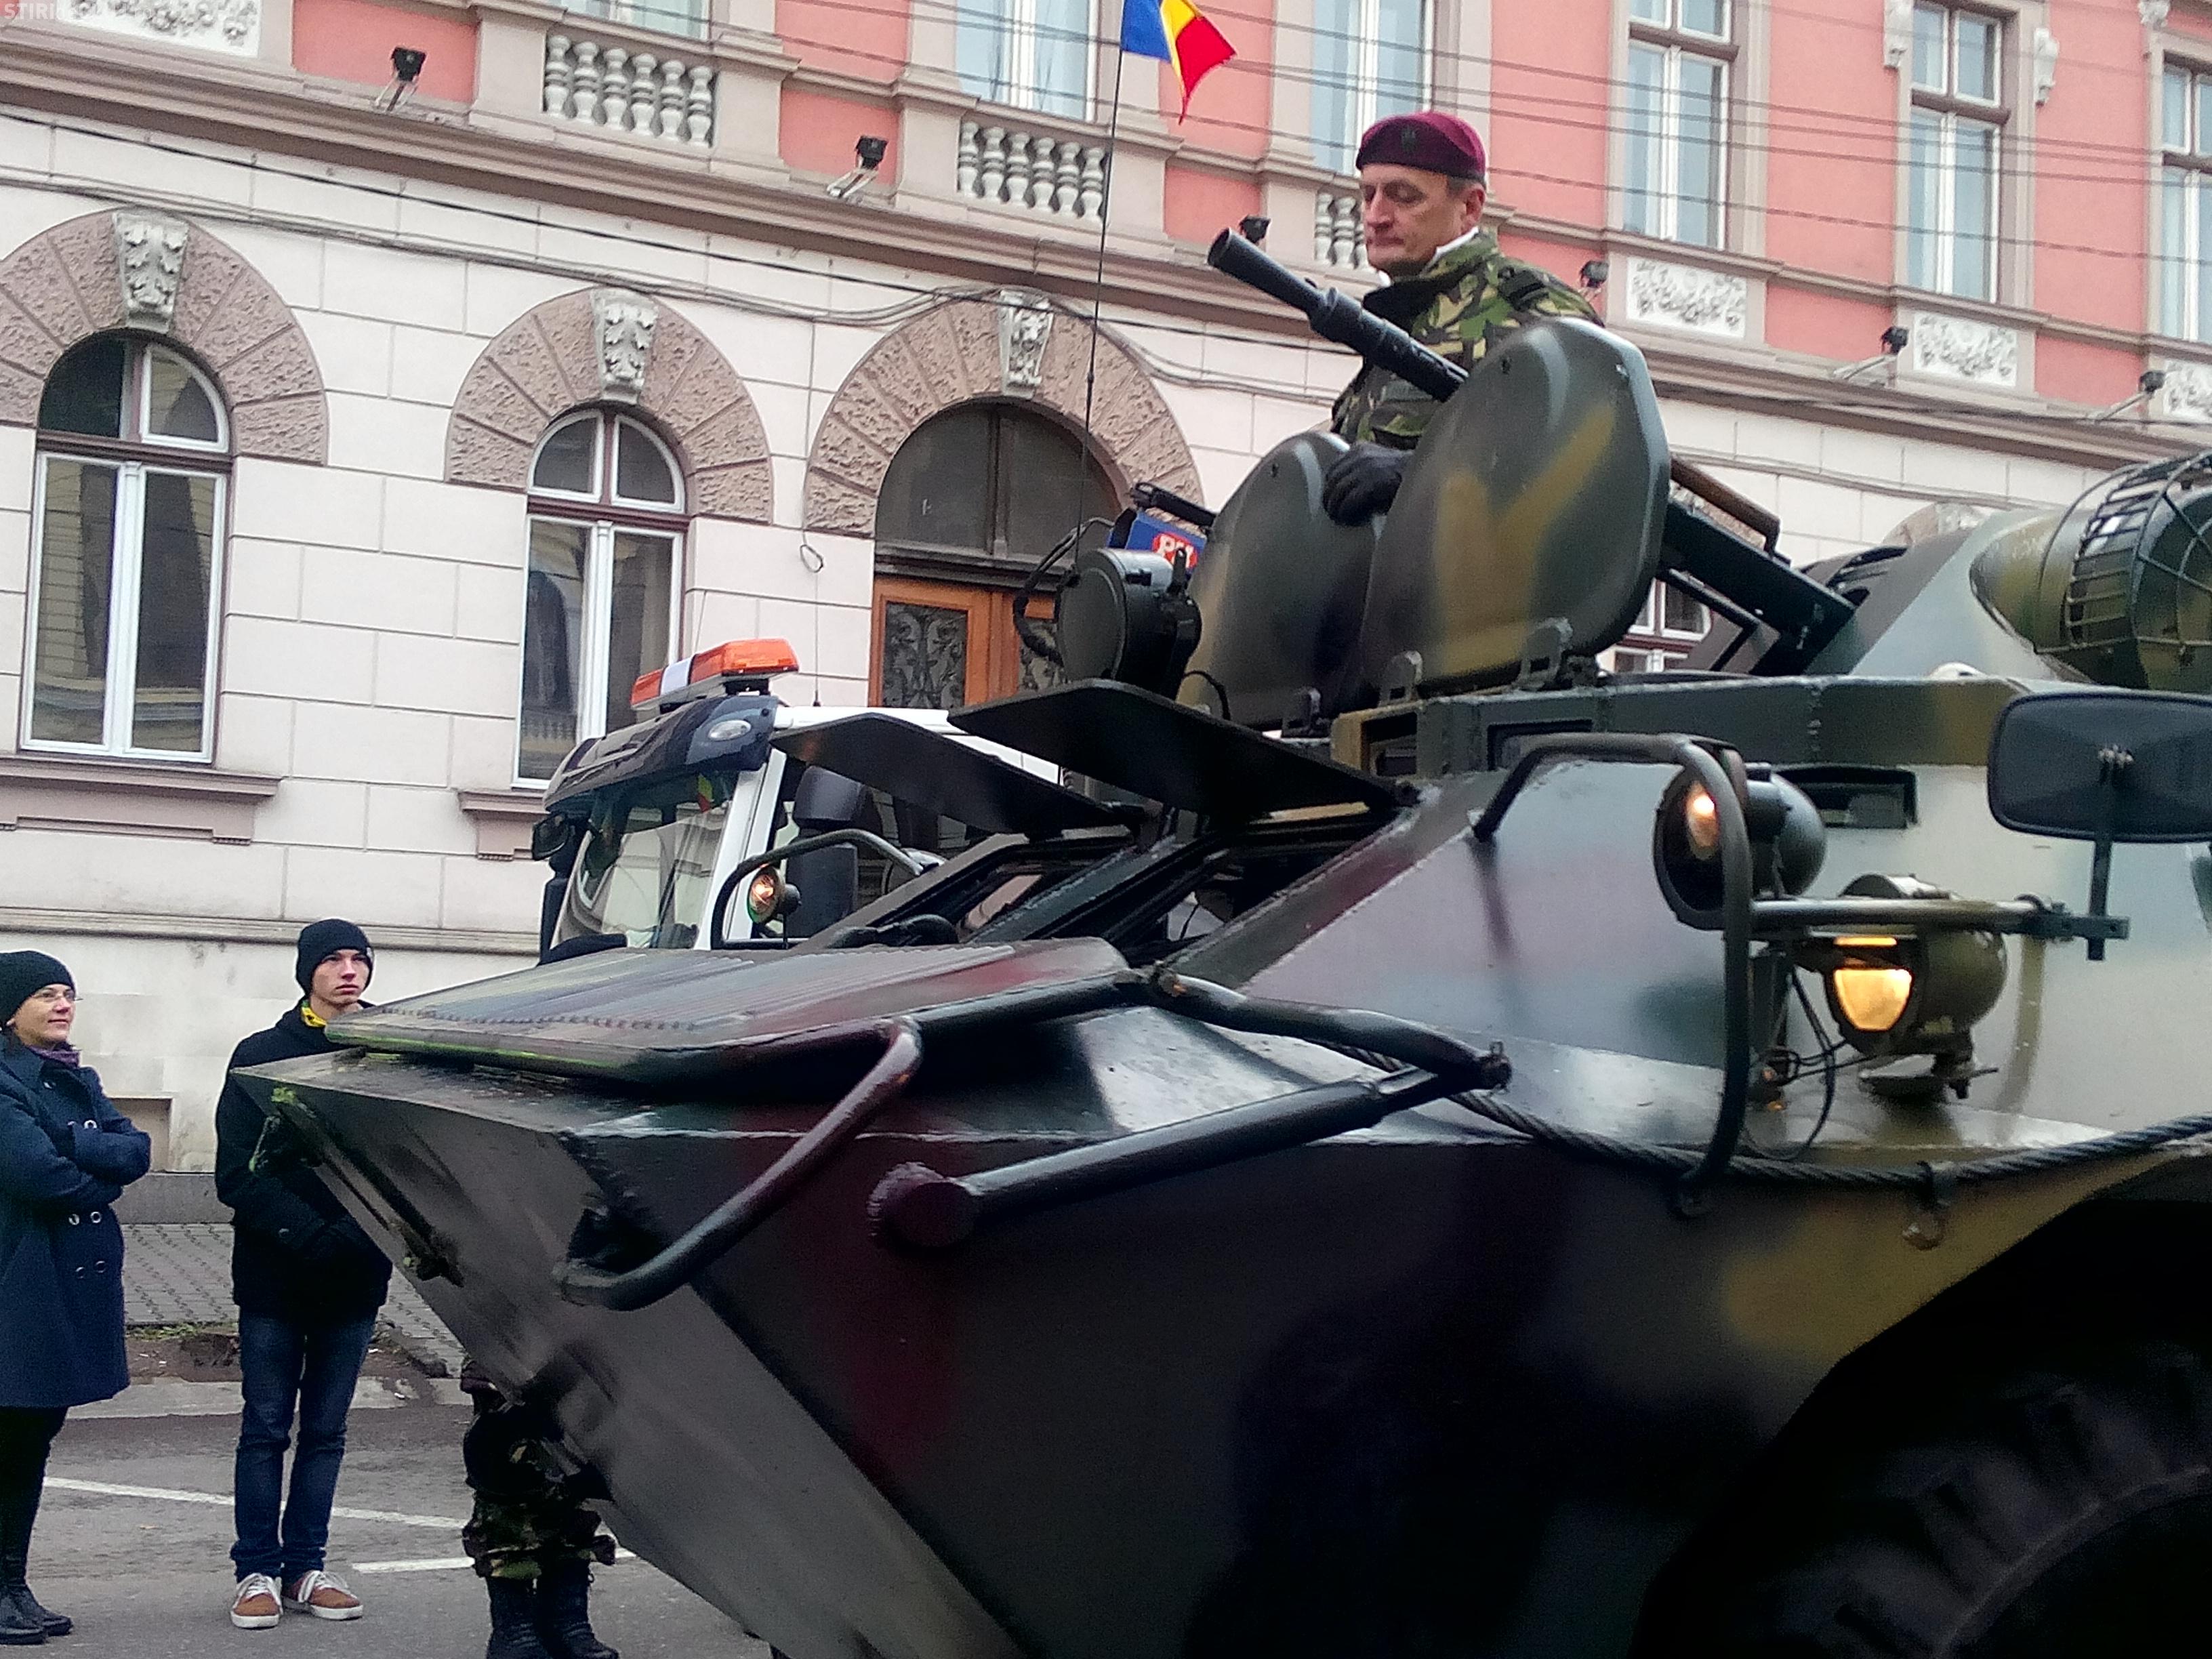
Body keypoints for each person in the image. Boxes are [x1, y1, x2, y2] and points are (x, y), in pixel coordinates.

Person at [214, 920, 390, 1631]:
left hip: (356, 1271)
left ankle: (306, 1568)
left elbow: (408, 1160)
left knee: (326, 1430)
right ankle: (256, 1569)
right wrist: (309, 1233)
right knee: (265, 1427)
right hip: (276, 1274)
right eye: (333, 960)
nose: (349, 971)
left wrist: (357, 1233)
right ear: (307, 972)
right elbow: (236, 1175)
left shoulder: (391, 1052)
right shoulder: (262, 1054)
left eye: (359, 960)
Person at [1322, 110, 1599, 526]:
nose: (1376, 216)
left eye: (1404, 196)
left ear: (1470, 207)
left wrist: (1413, 472)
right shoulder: (1407, 314)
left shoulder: (1534, 308)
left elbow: (1585, 463)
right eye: (1368, 195)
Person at [0, 951, 152, 1646]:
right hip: (19, 1285)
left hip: (64, 1284)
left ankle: (12, 1584)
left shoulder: (77, 1078)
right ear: (10, 1012)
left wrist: (75, 1141)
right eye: (46, 995)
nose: (63, 1005)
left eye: (68, 994)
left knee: (32, 1440)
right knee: (11, 1439)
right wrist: (97, 1162)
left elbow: (137, 1150)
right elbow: (40, 1176)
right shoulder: (5, 1082)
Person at [460, 1361, 619, 1659]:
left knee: (577, 1508)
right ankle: (514, 1631)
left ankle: (565, 1623)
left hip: (594, 1368)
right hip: (517, 1362)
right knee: (506, 1496)